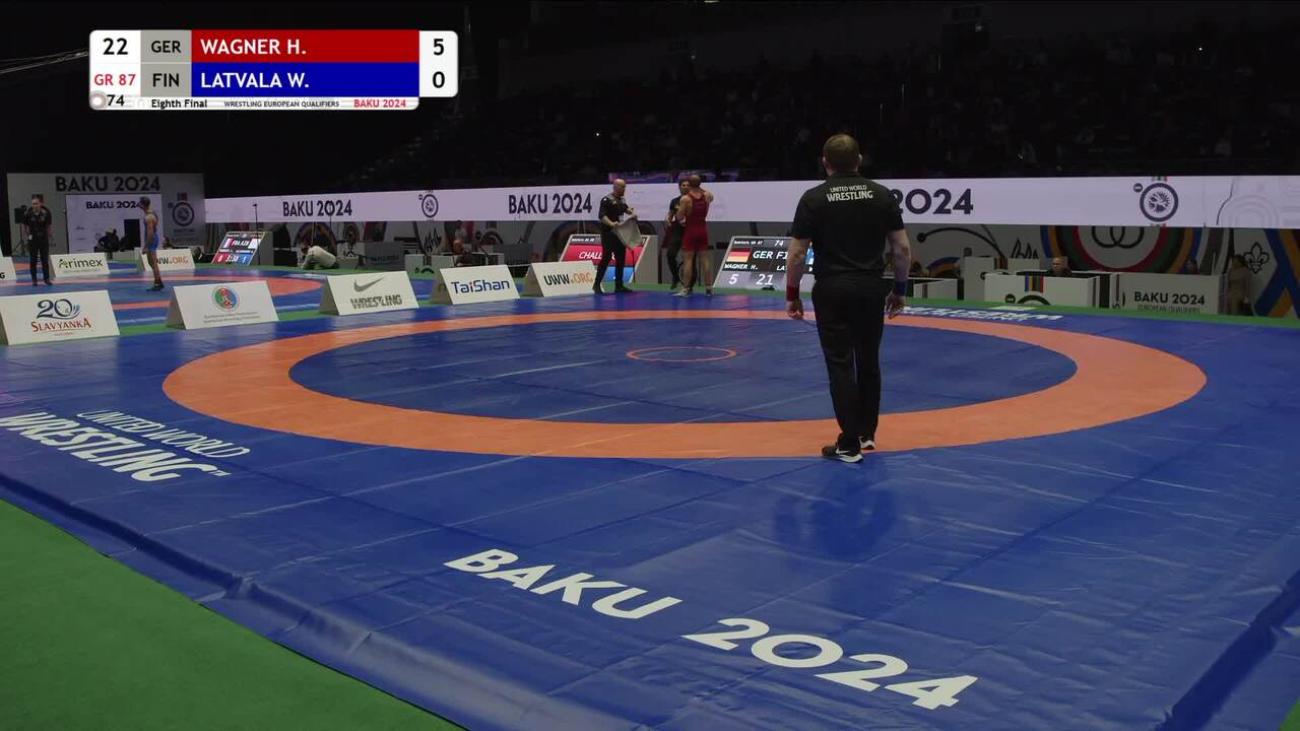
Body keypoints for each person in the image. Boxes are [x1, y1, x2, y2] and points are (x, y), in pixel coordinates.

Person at [786, 134, 911, 463]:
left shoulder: (814, 198)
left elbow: (797, 254)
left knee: (840, 363)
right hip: (870, 287)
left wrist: (792, 294)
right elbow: (901, 249)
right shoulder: (881, 195)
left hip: (833, 288)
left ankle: (849, 443)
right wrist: (900, 290)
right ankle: (867, 433)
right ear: (859, 160)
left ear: (824, 162)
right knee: (869, 360)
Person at [674, 175, 715, 297]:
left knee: (688, 260)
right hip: (702, 230)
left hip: (690, 230)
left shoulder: (685, 199)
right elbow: (709, 195)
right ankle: (709, 288)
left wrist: (679, 215)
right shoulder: (707, 195)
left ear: (689, 184)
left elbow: (679, 217)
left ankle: (686, 288)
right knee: (705, 260)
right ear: (700, 183)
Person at [595, 178, 636, 294]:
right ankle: (596, 285)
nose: (624, 189)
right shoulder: (606, 200)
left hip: (619, 234)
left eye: (625, 187)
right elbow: (602, 216)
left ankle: (619, 286)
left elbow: (626, 209)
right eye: (622, 187)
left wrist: (632, 213)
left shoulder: (621, 200)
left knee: (621, 258)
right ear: (616, 187)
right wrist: (612, 224)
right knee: (606, 258)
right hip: (608, 233)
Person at [20, 195, 53, 287]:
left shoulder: (46, 212)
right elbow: (24, 225)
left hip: (43, 239)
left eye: (36, 203)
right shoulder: (28, 213)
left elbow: (49, 225)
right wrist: (26, 236)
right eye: (33, 204)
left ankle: (46, 279)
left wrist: (49, 236)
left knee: (44, 260)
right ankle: (34, 280)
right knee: (33, 260)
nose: (34, 205)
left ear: (40, 204)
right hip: (33, 239)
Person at [663, 179, 689, 290]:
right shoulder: (674, 201)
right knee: (670, 254)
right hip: (677, 231)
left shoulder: (693, 200)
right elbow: (670, 214)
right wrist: (668, 220)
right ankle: (675, 277)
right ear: (679, 187)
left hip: (690, 231)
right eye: (683, 185)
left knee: (689, 258)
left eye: (688, 185)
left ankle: (689, 284)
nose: (685, 187)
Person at [140, 197, 164, 291]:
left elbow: (150, 232)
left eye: (140, 204)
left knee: (153, 262)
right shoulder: (152, 213)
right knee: (151, 262)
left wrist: (146, 246)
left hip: (151, 240)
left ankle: (158, 283)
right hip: (153, 238)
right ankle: (158, 281)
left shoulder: (149, 217)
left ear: (143, 205)